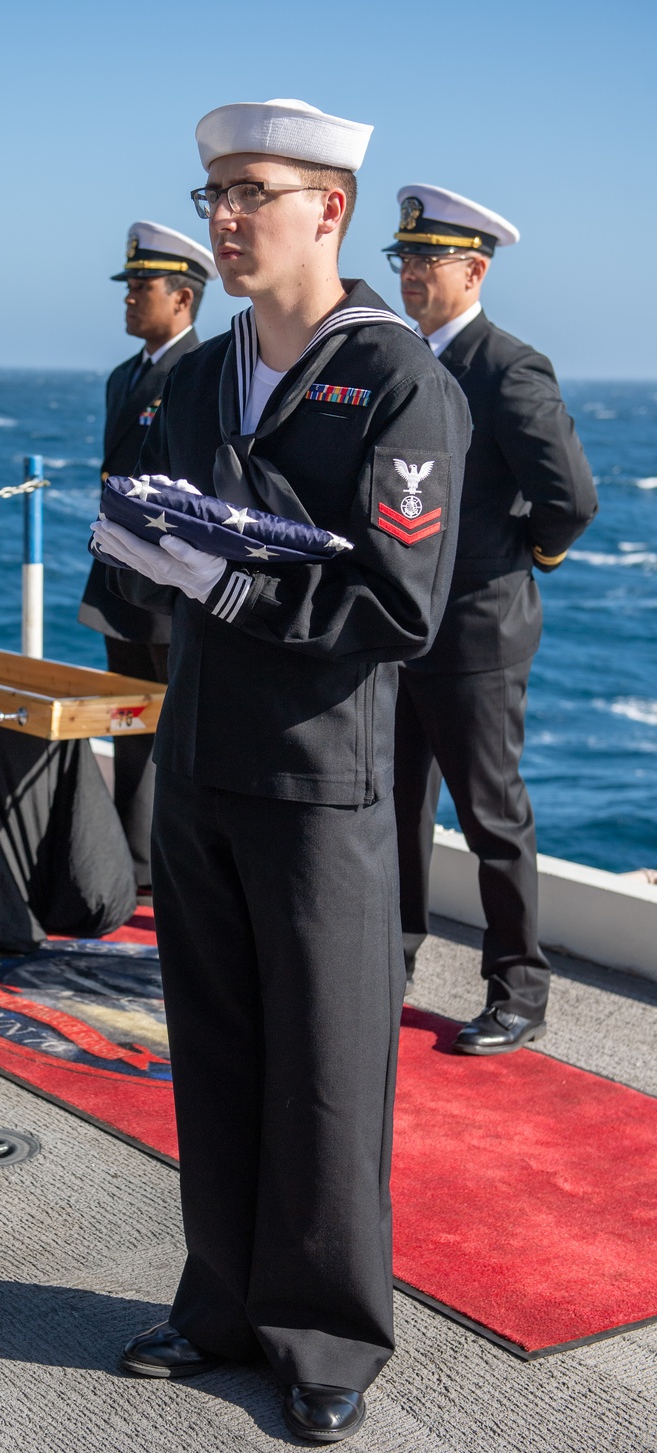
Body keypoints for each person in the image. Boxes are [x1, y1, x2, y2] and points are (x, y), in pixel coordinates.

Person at [91, 100, 470, 1443]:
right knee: (218, 1049)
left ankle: (326, 1334)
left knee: (324, 1070)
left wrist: (233, 583)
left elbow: (401, 604)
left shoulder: (402, 382)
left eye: (254, 190)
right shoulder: (193, 380)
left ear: (331, 209)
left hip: (323, 787)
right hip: (198, 764)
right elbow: (152, 553)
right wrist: (139, 554)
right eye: (213, 196)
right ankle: (223, 1299)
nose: (228, 219)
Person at [384, 185, 597, 1054]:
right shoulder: (399, 361)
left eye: (425, 260)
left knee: (490, 813)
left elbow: (570, 500)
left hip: (476, 630)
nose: (409, 275)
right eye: (403, 258)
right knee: (390, 808)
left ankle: (518, 991)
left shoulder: (508, 366)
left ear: (473, 270)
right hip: (398, 627)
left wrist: (520, 560)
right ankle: (384, 966)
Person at [79, 222, 217, 889]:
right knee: (130, 724)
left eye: (143, 286)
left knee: (176, 735)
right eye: (129, 285)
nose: (130, 298)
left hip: (165, 588)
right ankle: (136, 867)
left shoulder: (200, 373)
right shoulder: (123, 378)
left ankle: (173, 867)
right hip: (120, 580)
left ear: (183, 299)